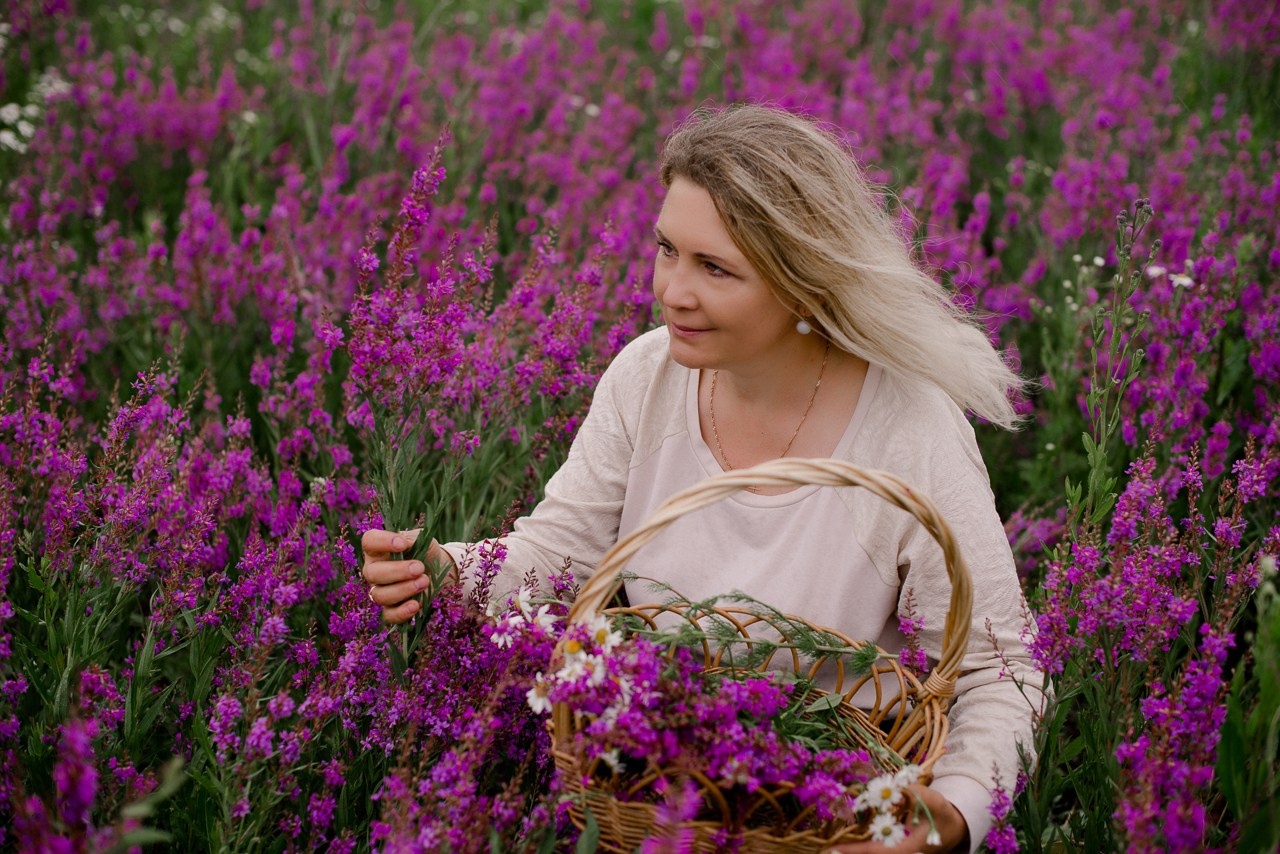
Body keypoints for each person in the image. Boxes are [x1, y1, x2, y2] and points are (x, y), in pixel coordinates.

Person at [361, 104, 1046, 853]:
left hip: (818, 815)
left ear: (802, 278)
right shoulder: (645, 377)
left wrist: (949, 819)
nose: (672, 291)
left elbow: (999, 672)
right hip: (650, 798)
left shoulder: (907, 428)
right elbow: (560, 560)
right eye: (666, 250)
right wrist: (444, 568)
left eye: (716, 268)